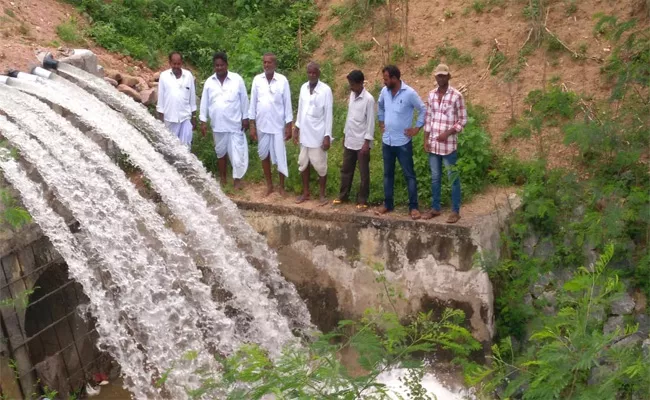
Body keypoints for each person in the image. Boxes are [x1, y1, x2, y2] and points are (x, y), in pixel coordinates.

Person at [375, 65, 426, 220]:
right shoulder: (384, 92)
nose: (384, 82)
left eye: (386, 79)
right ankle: (388, 204)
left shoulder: (409, 93)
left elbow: (423, 109)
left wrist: (417, 128)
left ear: (395, 79)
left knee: (409, 175)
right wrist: (381, 121)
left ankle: (414, 207)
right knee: (387, 174)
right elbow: (380, 106)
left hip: (403, 142)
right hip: (387, 141)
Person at [422, 64, 467, 224]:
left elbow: (463, 120)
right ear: (435, 77)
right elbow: (428, 118)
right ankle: (436, 207)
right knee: (435, 177)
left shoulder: (456, 96)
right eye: (438, 75)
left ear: (449, 77)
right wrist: (425, 139)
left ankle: (455, 211)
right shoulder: (432, 95)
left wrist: (448, 133)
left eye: (443, 75)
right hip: (434, 144)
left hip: (448, 146)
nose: (440, 78)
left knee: (452, 178)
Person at [199, 52, 250, 189]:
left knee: (237, 153)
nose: (219, 68)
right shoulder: (209, 82)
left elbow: (244, 99)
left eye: (222, 65)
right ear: (214, 67)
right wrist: (203, 121)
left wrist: (246, 117)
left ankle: (237, 180)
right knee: (220, 153)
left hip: (235, 124)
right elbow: (204, 103)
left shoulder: (237, 79)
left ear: (227, 65)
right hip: (218, 125)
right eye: (217, 65)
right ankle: (223, 179)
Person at [249, 53, 293, 196]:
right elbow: (253, 103)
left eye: (269, 62)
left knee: (280, 155)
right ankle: (269, 185)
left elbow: (287, 103)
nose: (266, 65)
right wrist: (252, 125)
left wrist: (289, 125)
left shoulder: (282, 80)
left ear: (275, 65)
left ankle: (281, 186)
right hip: (262, 124)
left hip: (278, 125)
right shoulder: (257, 80)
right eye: (264, 62)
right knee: (264, 155)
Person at [334, 69, 375, 211]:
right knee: (346, 169)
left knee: (363, 173)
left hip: (362, 142)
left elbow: (370, 123)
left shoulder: (368, 99)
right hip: (350, 139)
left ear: (360, 83)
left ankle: (362, 200)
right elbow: (349, 117)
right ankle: (343, 195)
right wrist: (345, 134)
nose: (350, 87)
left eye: (352, 84)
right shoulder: (352, 95)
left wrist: (366, 143)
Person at [293, 62, 333, 205]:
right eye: (309, 73)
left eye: (314, 73)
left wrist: (327, 136)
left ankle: (322, 195)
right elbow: (300, 109)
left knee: (320, 165)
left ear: (318, 73)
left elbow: (328, 114)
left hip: (318, 134)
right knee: (303, 163)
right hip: (304, 133)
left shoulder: (325, 90)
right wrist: (296, 128)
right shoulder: (304, 87)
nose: (312, 75)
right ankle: (306, 192)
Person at [156, 51, 197, 148]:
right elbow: (161, 98)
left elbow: (192, 97)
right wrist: (161, 119)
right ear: (170, 63)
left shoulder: (188, 76)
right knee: (172, 148)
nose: (176, 66)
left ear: (181, 63)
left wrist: (194, 117)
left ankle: (186, 163)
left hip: (185, 117)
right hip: (170, 118)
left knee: (186, 146)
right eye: (174, 63)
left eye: (178, 64)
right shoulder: (164, 76)